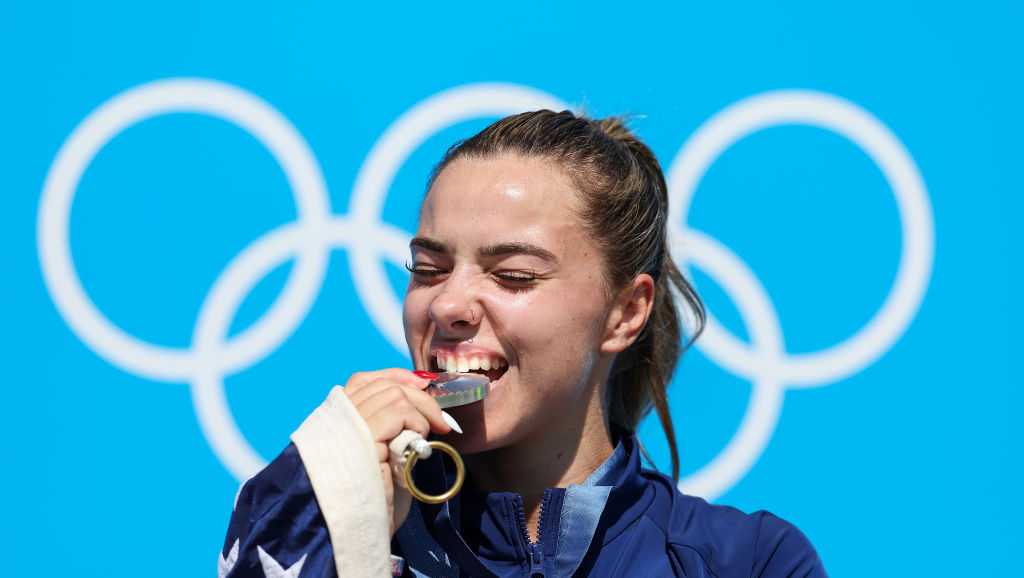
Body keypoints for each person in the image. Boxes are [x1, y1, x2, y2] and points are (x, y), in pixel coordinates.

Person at [217, 110, 827, 577]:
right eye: (427, 270)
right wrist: (315, 503)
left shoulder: (745, 561)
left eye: (513, 276)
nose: (449, 306)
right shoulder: (319, 519)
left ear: (625, 312)